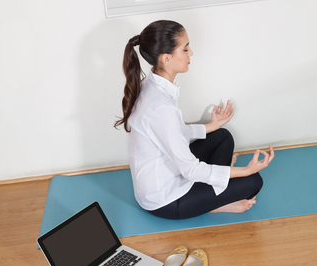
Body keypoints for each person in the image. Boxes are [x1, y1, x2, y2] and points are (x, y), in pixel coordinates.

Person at [114, 20, 274, 220]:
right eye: (185, 49)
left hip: (171, 169)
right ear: (166, 58)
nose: (191, 53)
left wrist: (212, 125)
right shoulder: (161, 107)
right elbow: (190, 169)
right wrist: (245, 170)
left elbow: (173, 133)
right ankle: (216, 205)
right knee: (253, 182)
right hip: (166, 201)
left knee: (223, 136)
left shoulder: (152, 84)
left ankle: (212, 191)